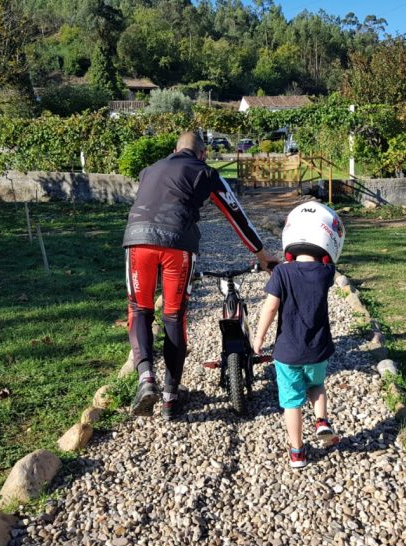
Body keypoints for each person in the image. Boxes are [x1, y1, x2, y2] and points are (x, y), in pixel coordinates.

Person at [124, 131, 278, 420]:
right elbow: (235, 214)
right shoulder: (205, 172)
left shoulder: (149, 170)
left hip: (137, 242)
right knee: (173, 315)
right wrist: (261, 253)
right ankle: (170, 396)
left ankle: (145, 378)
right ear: (203, 154)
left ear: (174, 149)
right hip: (178, 244)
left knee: (139, 309)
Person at [252, 201, 345, 469]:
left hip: (287, 352)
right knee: (316, 386)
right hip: (317, 349)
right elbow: (322, 263)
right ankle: (322, 420)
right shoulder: (327, 272)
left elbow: (270, 307)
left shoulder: (281, 272)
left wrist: (258, 339)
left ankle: (297, 452)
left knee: (292, 402)